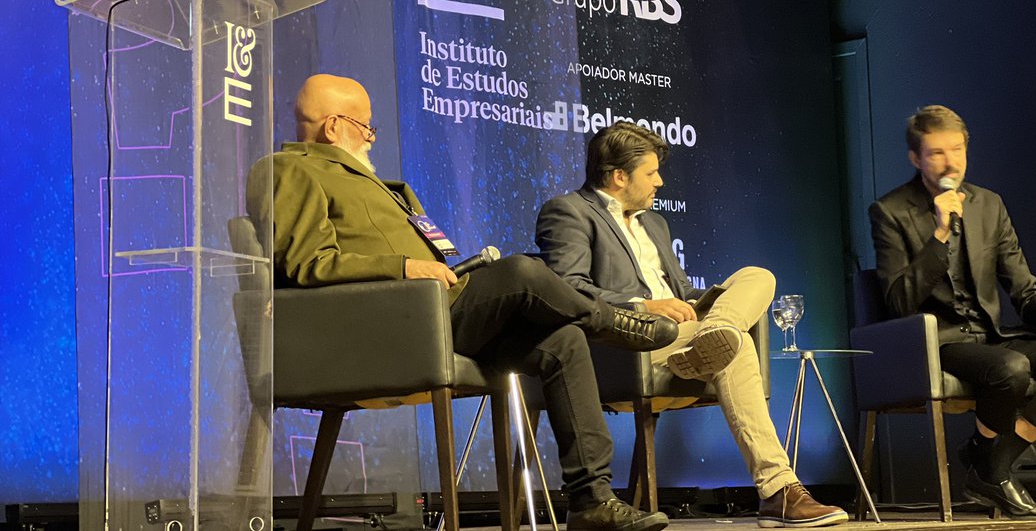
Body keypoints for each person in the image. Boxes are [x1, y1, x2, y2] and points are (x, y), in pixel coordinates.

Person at [248, 74, 681, 531]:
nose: (371, 138)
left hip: (440, 313)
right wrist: (404, 267)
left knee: (564, 340)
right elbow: (307, 263)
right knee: (521, 271)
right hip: (391, 324)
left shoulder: (384, 185)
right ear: (334, 127)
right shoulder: (288, 169)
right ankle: (612, 321)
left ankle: (591, 500)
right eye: (366, 127)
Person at [536, 121, 849, 528]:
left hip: (684, 329)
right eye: (651, 174)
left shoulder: (655, 224)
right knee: (736, 345)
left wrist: (692, 308)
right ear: (618, 177)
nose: (660, 182)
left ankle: (712, 334)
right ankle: (778, 492)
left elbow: (681, 289)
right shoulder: (570, 212)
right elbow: (567, 290)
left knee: (759, 276)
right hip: (629, 338)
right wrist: (646, 305)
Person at [870, 105, 1036, 519]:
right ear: (915, 158)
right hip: (935, 341)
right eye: (937, 153)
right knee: (1010, 368)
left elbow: (1024, 293)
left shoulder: (989, 205)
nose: (950, 162)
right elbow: (898, 301)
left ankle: (992, 462)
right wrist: (939, 234)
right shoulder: (891, 212)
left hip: (992, 339)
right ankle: (990, 465)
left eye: (957, 150)